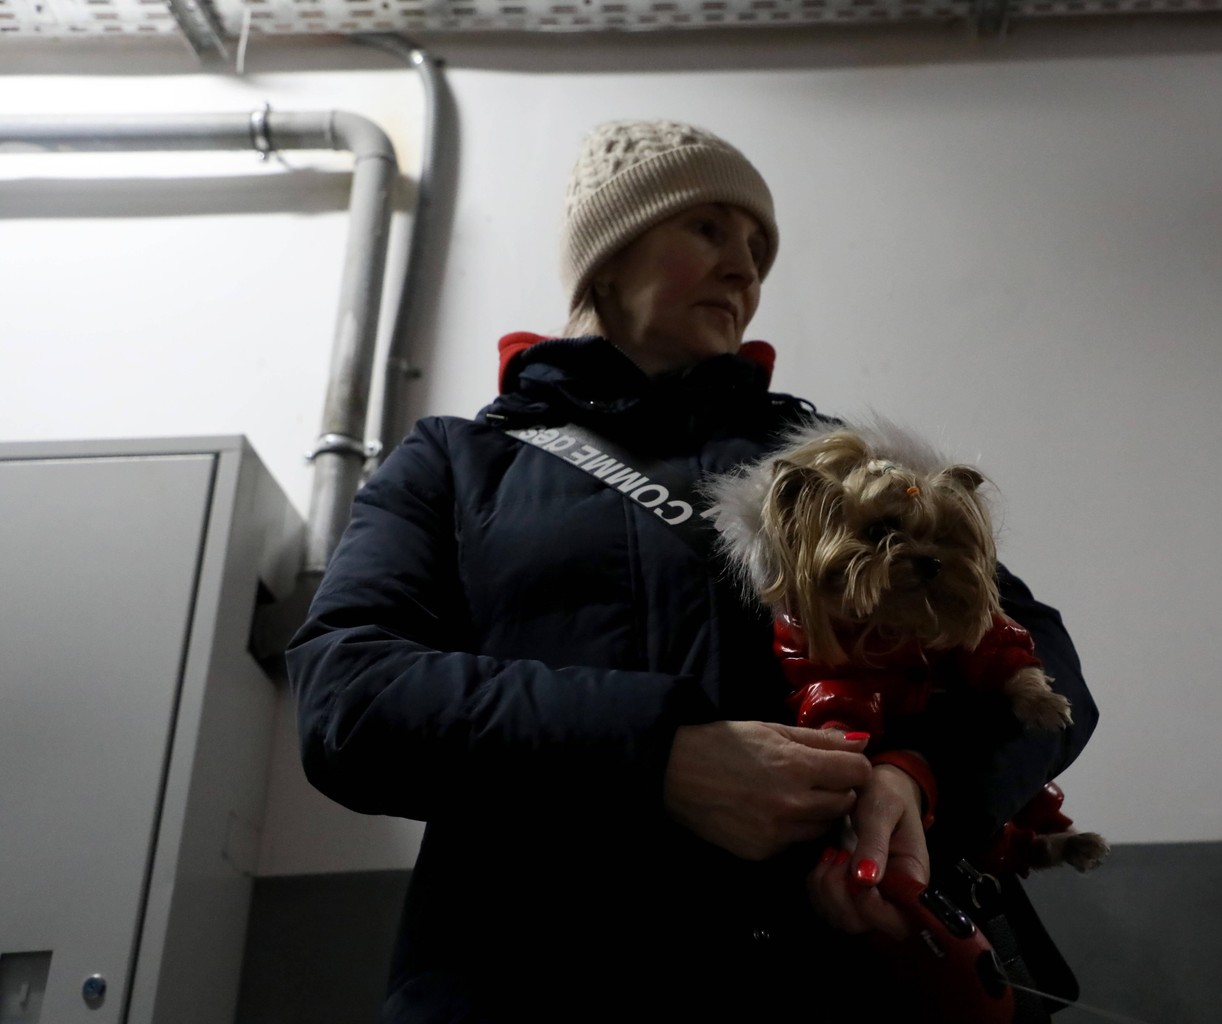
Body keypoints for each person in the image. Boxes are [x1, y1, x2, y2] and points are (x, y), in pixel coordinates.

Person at [286, 119, 1097, 1023]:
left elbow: (1042, 656)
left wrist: (918, 776)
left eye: (758, 249)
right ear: (607, 253)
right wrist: (657, 756)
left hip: (828, 983)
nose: (746, 270)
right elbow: (347, 694)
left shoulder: (834, 466)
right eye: (708, 229)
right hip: (519, 981)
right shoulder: (455, 462)